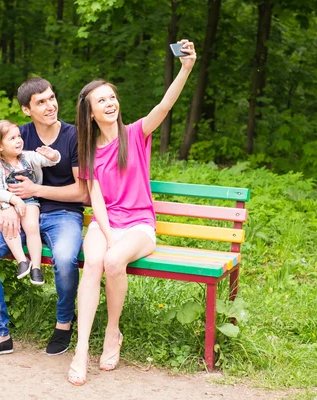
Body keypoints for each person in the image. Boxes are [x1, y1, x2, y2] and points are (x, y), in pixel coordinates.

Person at [67, 39, 196, 385]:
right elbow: (96, 200)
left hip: (139, 225)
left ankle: (112, 331)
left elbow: (164, 106)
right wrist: (107, 235)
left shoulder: (136, 133)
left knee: (112, 262)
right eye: (101, 100)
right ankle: (81, 350)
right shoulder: (87, 150)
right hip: (106, 223)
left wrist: (186, 67)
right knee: (93, 262)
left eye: (112, 97)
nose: (110, 103)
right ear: (90, 112)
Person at [0, 77, 88, 358]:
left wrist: (37, 189)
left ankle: (63, 324)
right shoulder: (17, 136)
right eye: (41, 102)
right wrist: (5, 205)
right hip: (21, 212)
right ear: (27, 109)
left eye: (52, 97)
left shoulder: (74, 136)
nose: (51, 105)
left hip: (63, 213)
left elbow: (83, 192)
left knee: (64, 257)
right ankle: (0, 335)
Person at [0, 120, 61, 285]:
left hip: (30, 201)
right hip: (5, 205)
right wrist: (12, 200)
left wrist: (53, 155)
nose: (19, 140)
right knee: (9, 227)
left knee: (32, 227)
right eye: (12, 138)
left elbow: (49, 161)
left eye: (19, 136)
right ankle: (22, 261)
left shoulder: (28, 157)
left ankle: (36, 268)